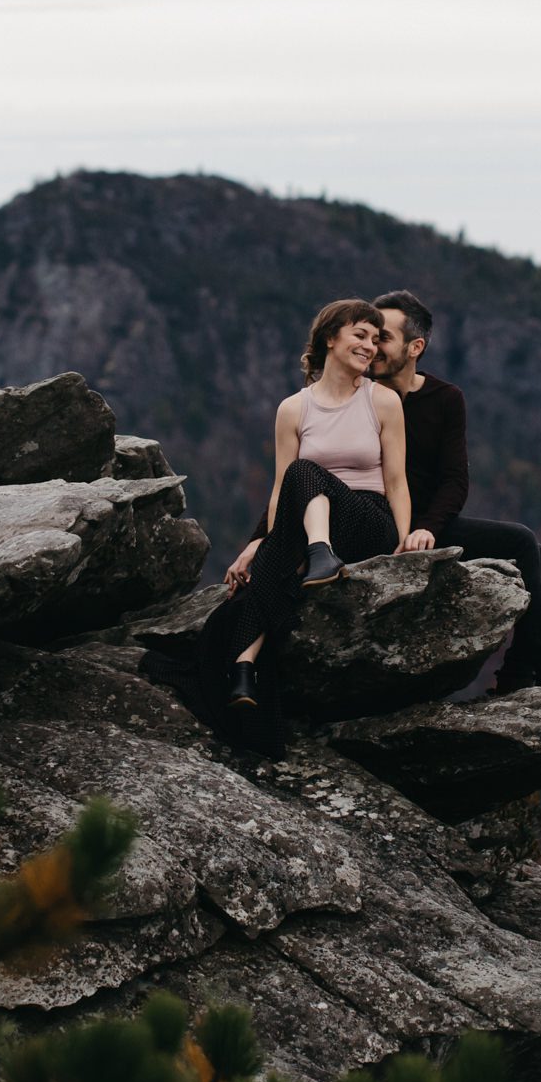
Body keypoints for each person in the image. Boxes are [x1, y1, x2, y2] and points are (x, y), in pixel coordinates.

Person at [147, 297, 410, 753]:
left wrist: (406, 543)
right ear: (331, 339)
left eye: (375, 339)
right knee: (237, 603)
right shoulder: (293, 409)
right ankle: (246, 668)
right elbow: (279, 492)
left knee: (303, 475)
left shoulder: (383, 401)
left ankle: (317, 557)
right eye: (360, 336)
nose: (370, 347)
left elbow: (396, 480)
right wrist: (258, 543)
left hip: (367, 520)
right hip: (309, 525)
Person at [367, 288, 541, 691]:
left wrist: (428, 526)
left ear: (415, 347)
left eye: (384, 338)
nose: (372, 346)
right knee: (519, 540)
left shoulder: (445, 399)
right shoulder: (360, 395)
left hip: (429, 526)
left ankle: (516, 675)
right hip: (380, 522)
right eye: (370, 336)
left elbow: (455, 479)